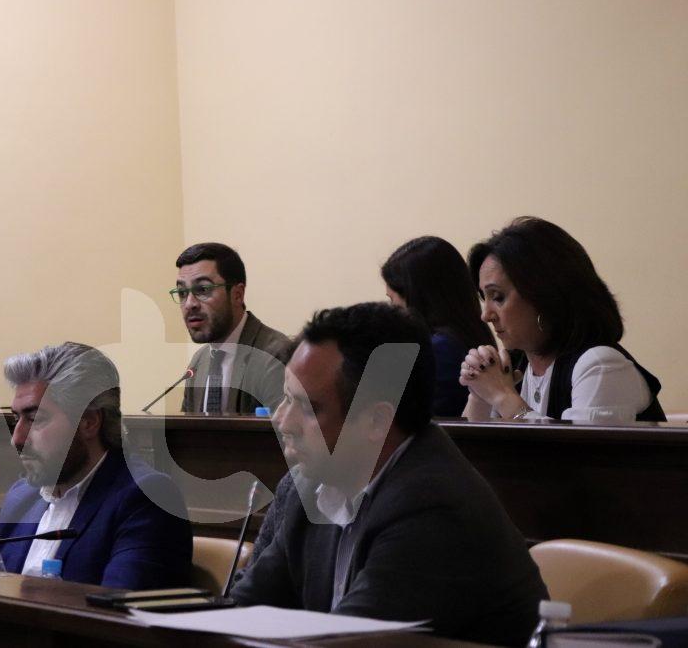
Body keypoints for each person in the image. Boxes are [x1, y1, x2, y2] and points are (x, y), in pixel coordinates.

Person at [231, 304, 547, 646]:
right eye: (285, 399)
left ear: (377, 421)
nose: (282, 421)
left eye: (307, 407)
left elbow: (348, 643)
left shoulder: (433, 507)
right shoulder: (306, 487)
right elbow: (239, 612)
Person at [0, 342, 192, 589]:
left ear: (89, 422)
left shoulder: (147, 497)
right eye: (16, 419)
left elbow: (118, 605)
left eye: (35, 419)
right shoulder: (22, 496)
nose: (17, 438)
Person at [462, 217, 665, 422]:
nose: (485, 315)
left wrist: (502, 396)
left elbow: (573, 444)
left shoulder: (600, 365)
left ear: (543, 295)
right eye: (484, 298)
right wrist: (480, 393)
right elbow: (469, 441)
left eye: (498, 297)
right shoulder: (515, 364)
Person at [381, 236, 496, 416]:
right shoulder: (468, 333)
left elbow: (408, 425)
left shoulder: (438, 350)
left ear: (416, 298)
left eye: (393, 301)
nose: (392, 312)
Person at [173, 242, 291, 414]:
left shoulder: (275, 355)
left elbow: (286, 430)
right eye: (182, 293)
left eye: (203, 289)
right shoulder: (199, 362)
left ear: (237, 294)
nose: (189, 304)